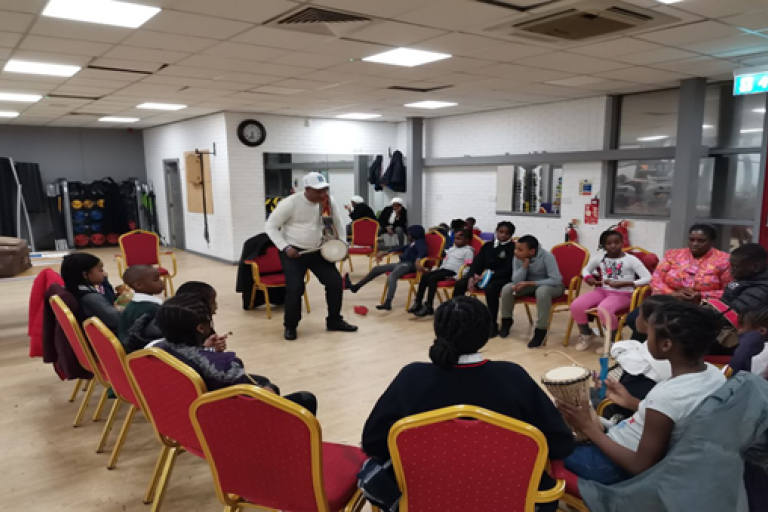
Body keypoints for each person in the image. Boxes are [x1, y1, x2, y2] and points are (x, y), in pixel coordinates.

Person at [359, 296, 574, 512]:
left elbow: (372, 442)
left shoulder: (411, 377)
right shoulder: (513, 376)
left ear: (437, 331)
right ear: (486, 333)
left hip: (426, 498)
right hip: (506, 499)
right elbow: (560, 443)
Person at [559, 302, 726, 485]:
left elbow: (640, 466)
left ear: (665, 345)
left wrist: (587, 427)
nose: (646, 341)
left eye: (650, 334)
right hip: (620, 441)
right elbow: (673, 417)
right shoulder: (714, 374)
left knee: (545, 448)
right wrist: (631, 402)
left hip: (613, 466)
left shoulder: (667, 395)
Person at [154, 293, 318, 414]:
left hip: (187, 413)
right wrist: (268, 391)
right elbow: (255, 397)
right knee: (304, 398)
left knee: (263, 380)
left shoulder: (158, 350)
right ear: (201, 328)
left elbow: (192, 358)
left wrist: (204, 349)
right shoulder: (225, 365)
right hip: (228, 421)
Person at [265, 172, 358, 341]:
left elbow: (338, 223)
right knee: (295, 288)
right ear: (307, 189)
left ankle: (334, 320)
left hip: (318, 251)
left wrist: (343, 245)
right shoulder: (290, 203)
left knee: (335, 282)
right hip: (293, 253)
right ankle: (291, 326)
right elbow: (270, 226)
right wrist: (285, 247)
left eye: (325, 190)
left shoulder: (328, 202)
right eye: (318, 191)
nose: (323, 194)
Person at [626, 224, 731, 341]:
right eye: (692, 240)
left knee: (671, 326)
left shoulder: (724, 261)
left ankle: (662, 352)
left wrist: (701, 295)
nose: (695, 244)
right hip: (668, 300)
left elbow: (729, 291)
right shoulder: (673, 255)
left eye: (701, 241)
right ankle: (642, 351)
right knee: (635, 319)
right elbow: (656, 279)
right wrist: (672, 294)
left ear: (712, 241)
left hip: (701, 306)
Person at [595, 295, 677, 420]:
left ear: (649, 323)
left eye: (639, 314)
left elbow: (627, 399)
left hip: (624, 413)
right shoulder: (678, 356)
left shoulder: (639, 364)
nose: (635, 317)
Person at [571, 230, 652, 351]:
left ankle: (613, 341)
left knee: (604, 309)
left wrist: (627, 283)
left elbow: (648, 278)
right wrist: (588, 277)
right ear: (604, 245)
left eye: (616, 242)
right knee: (576, 305)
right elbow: (585, 269)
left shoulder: (631, 260)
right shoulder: (599, 258)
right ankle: (587, 334)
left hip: (623, 294)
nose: (613, 245)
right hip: (603, 291)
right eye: (609, 243)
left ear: (622, 243)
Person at [452, 221, 516, 337]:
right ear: (496, 231)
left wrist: (487, 276)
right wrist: (472, 276)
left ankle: (492, 324)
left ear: (511, 235)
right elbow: (477, 263)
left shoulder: (512, 248)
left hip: (501, 277)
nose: (503, 235)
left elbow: (508, 269)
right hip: (482, 276)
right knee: (460, 284)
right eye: (501, 232)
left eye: (506, 233)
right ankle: (456, 316)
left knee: (491, 289)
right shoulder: (487, 246)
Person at [499, 235, 564, 348]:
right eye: (516, 248)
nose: (516, 252)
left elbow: (556, 279)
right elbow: (515, 280)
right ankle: (506, 321)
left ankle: (541, 330)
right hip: (530, 284)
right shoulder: (518, 257)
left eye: (520, 249)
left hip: (552, 286)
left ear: (532, 251)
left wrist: (530, 283)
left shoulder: (547, 256)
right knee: (507, 289)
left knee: (542, 292)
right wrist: (524, 266)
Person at [343, 225, 427, 311]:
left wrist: (418, 259)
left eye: (409, 234)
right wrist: (386, 252)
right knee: (376, 269)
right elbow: (401, 248)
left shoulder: (420, 242)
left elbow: (423, 251)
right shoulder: (413, 243)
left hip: (409, 265)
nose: (408, 235)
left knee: (392, 276)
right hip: (402, 263)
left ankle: (388, 302)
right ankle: (356, 287)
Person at [411, 229, 475, 317]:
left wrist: (456, 277)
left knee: (432, 279)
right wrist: (437, 269)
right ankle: (418, 302)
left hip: (453, 272)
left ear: (467, 240)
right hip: (444, 269)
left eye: (459, 239)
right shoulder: (452, 249)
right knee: (425, 276)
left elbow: (467, 267)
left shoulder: (468, 251)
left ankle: (429, 305)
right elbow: (445, 261)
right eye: (455, 239)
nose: (456, 241)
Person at [60, 252, 120, 332]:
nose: (104, 273)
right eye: (100, 270)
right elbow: (117, 320)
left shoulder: (73, 289)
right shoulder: (90, 297)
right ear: (85, 274)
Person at [117, 265, 165, 353]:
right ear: (139, 285)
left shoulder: (132, 304)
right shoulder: (151, 308)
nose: (161, 282)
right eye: (156, 280)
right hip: (142, 354)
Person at [722, 243, 768, 316]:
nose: (731, 270)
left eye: (735, 267)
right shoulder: (745, 277)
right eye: (731, 266)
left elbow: (732, 314)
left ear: (755, 267)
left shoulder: (762, 288)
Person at [729, 304, 768, 376]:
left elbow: (736, 377)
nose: (739, 331)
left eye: (742, 326)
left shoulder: (759, 357)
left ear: (761, 331)